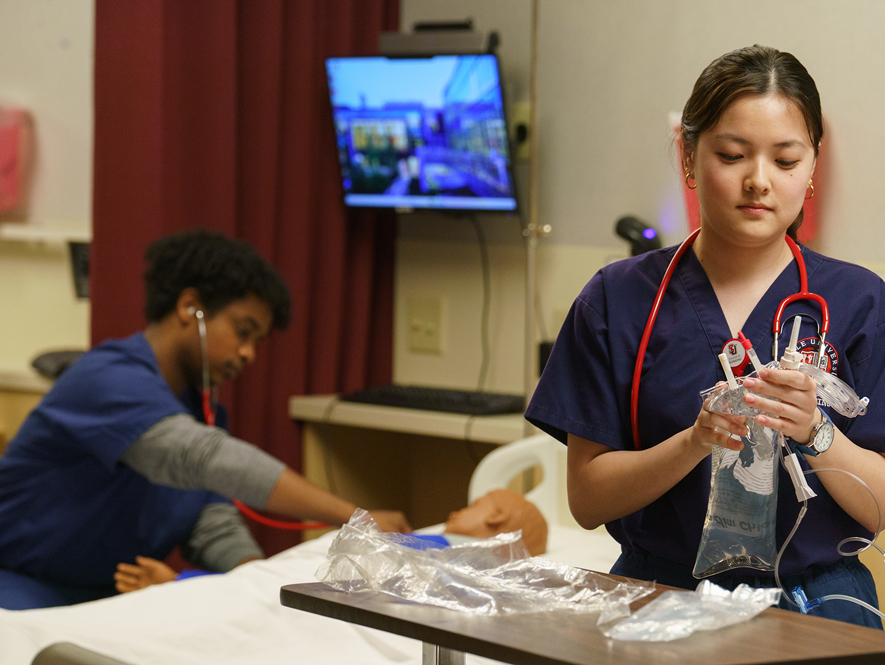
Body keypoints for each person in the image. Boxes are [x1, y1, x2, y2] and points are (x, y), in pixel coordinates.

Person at [524, 45, 885, 628]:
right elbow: (588, 501)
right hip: (658, 601)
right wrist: (694, 442)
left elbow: (880, 507)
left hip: (818, 609)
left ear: (813, 168)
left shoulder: (858, 303)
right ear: (689, 158)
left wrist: (816, 432)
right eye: (732, 155)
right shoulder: (618, 298)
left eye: (786, 161)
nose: (758, 181)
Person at [0, 229, 411, 610]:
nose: (249, 353)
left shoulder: (202, 411)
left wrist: (259, 584)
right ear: (190, 307)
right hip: (21, 585)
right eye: (242, 330)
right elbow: (202, 459)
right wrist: (357, 516)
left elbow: (208, 520)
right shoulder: (107, 380)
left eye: (256, 341)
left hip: (109, 599)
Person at [114, 489, 549, 593]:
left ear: (494, 518)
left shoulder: (452, 551)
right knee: (268, 580)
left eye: (473, 504)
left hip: (337, 586)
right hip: (334, 577)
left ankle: (180, 583)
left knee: (269, 585)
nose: (454, 513)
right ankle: (185, 583)